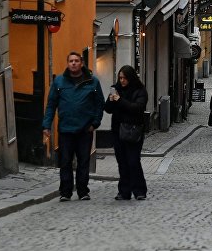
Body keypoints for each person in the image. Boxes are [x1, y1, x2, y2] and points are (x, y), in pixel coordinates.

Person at [42, 52, 105, 201]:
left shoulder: (92, 82)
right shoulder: (59, 82)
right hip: (65, 129)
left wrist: (95, 123)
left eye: (76, 61)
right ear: (67, 63)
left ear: (81, 63)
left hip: (85, 129)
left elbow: (99, 104)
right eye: (71, 61)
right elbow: (51, 105)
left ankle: (83, 191)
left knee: (83, 161)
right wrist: (47, 125)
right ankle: (65, 192)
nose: (74, 63)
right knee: (65, 162)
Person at [103, 65, 148, 201]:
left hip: (133, 131)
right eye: (120, 78)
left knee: (133, 161)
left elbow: (137, 108)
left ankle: (139, 190)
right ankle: (124, 191)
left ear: (131, 78)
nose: (122, 80)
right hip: (118, 132)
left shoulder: (140, 91)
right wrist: (111, 101)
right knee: (122, 162)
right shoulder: (115, 89)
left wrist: (119, 100)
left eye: (124, 78)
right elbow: (107, 109)